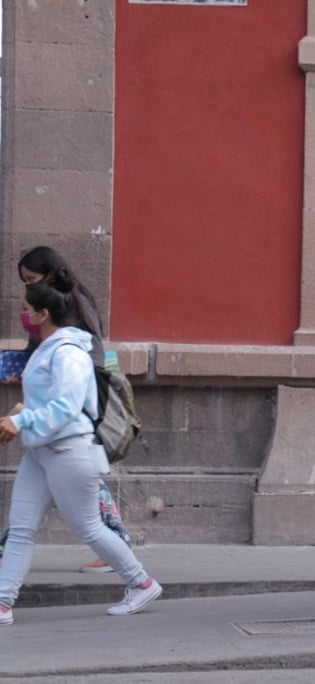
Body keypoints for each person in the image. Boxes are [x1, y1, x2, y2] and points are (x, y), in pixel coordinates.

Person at [0, 280, 161, 624]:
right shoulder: (49, 348)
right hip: (42, 451)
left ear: (44, 314)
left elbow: (67, 406)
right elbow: (49, 400)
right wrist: (19, 420)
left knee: (88, 526)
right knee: (21, 528)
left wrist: (21, 420)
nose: (23, 316)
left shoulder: (68, 352)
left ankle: (141, 583)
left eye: (27, 310)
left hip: (70, 451)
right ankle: (2, 602)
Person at [3, 246, 132, 573]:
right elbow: (40, 348)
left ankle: (125, 557)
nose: (29, 286)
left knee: (80, 482)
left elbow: (88, 353)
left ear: (49, 273)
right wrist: (28, 370)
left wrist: (58, 379)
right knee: (58, 489)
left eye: (32, 279)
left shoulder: (73, 305)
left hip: (75, 401)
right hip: (52, 400)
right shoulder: (48, 307)